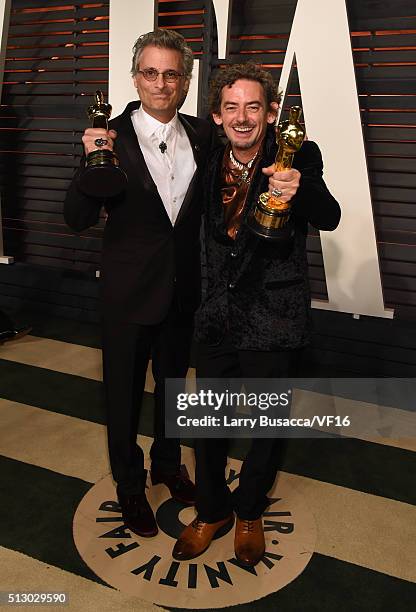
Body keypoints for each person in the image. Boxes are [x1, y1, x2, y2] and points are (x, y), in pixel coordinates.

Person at [172, 63, 341, 566]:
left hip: (273, 313)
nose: (241, 118)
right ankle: (211, 510)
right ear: (217, 115)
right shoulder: (207, 154)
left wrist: (298, 190)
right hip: (217, 313)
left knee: (266, 425)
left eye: (252, 106)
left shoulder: (297, 155)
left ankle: (248, 513)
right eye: (231, 107)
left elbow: (328, 215)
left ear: (270, 113)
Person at [64, 29, 220, 538]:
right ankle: (130, 486)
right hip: (127, 298)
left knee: (174, 393)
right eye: (150, 73)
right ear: (136, 77)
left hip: (182, 294)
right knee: (123, 399)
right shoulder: (107, 137)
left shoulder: (202, 134)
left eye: (171, 74)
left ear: (185, 81)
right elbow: (76, 218)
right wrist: (86, 163)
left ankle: (168, 465)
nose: (160, 83)